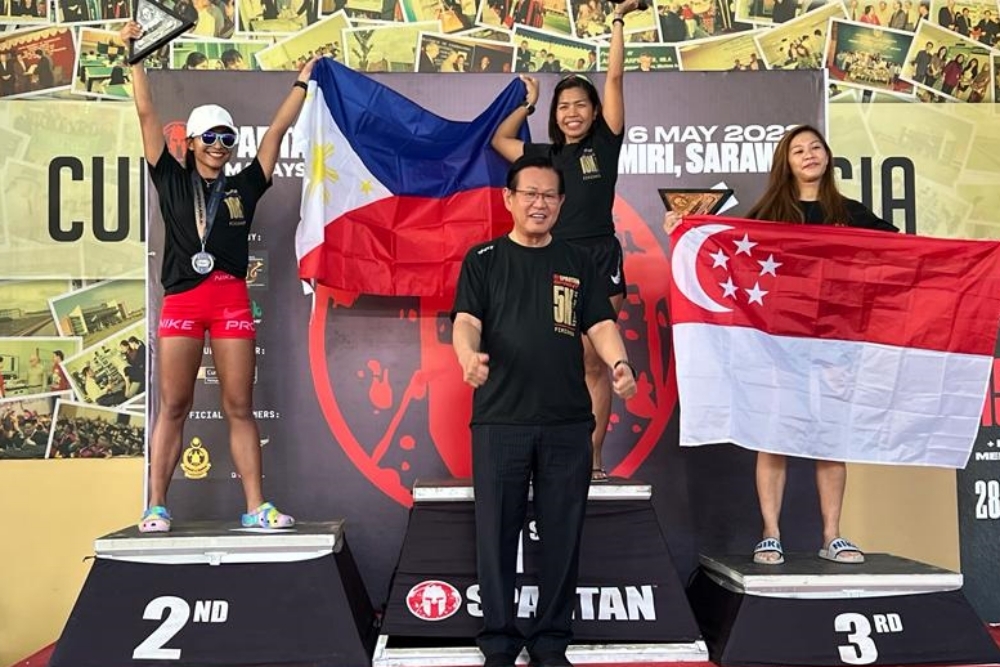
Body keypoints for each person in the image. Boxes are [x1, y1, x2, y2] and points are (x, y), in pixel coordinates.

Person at [665, 125, 897, 566]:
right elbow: (722, 244)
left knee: (831, 439)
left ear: (827, 156)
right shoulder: (769, 212)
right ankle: (770, 533)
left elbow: (897, 250)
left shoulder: (850, 212)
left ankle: (833, 535)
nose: (808, 155)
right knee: (772, 435)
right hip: (777, 342)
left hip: (833, 340)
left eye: (815, 147)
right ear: (785, 163)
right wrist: (683, 227)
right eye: (797, 150)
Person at [119, 21, 315, 533]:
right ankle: (156, 505)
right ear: (194, 140)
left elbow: (275, 133)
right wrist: (133, 53)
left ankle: (255, 507)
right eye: (210, 138)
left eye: (227, 138)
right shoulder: (168, 174)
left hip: (229, 301)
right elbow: (145, 111)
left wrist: (302, 81)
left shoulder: (246, 184)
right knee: (175, 405)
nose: (219, 146)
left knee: (239, 406)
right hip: (182, 302)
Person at [452, 155, 636, 667]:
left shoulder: (579, 262)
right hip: (500, 420)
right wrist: (467, 356)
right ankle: (498, 642)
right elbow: (465, 321)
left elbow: (600, 324)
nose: (539, 203)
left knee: (562, 533)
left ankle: (552, 641)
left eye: (549, 195)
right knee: (495, 535)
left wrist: (618, 363)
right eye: (529, 193)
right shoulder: (484, 258)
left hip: (567, 422)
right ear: (509, 200)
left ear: (561, 203)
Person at [491, 0, 641, 483]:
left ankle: (592, 460)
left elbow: (615, 79)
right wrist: (527, 104)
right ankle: (554, 457)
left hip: (599, 257)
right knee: (559, 361)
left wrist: (616, 22)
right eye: (564, 106)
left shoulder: (606, 143)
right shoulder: (546, 154)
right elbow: (499, 140)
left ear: (595, 112)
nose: (572, 113)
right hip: (554, 260)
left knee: (595, 363)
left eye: (581, 105)